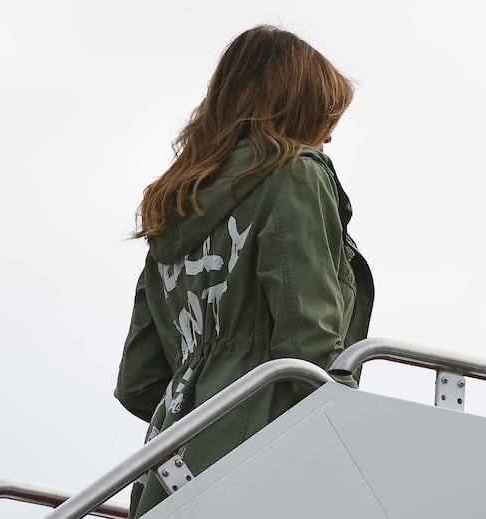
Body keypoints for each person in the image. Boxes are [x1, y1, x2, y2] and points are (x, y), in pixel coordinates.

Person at [114, 25, 374, 518]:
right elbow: (309, 346)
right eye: (324, 117)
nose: (330, 135)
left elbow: (139, 381)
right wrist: (350, 441)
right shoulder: (296, 174)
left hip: (166, 473)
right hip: (263, 457)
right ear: (295, 108)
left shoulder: (172, 208)